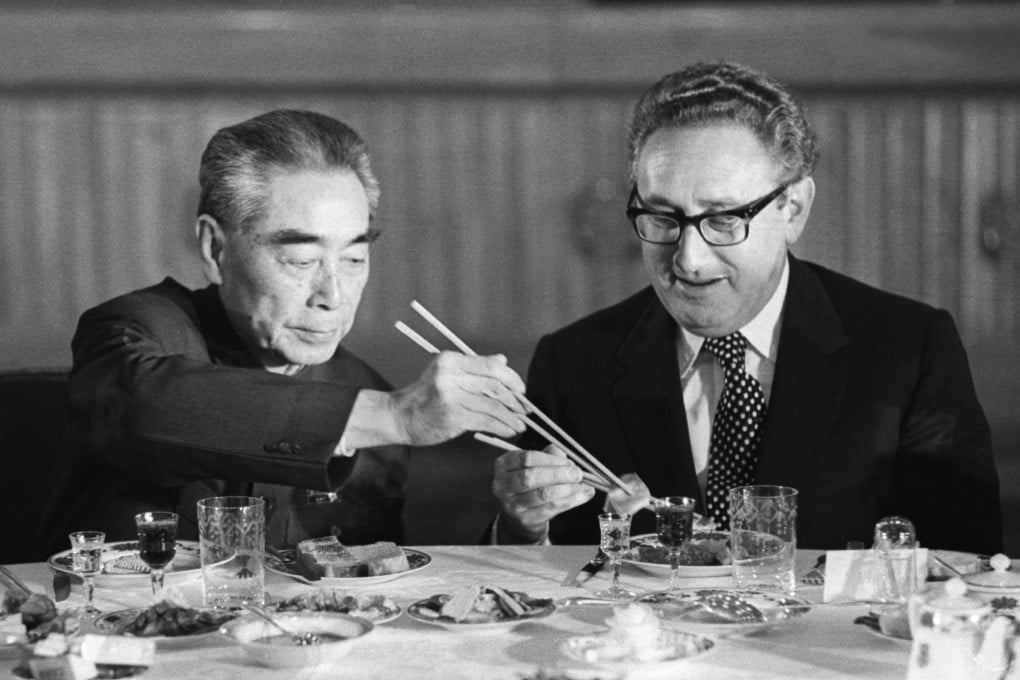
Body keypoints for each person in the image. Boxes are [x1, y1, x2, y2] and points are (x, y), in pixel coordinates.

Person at [491, 62, 1002, 553]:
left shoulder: (909, 352)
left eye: (723, 220)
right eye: (663, 217)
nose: (688, 260)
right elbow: (519, 585)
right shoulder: (573, 363)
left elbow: (967, 571)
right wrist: (521, 527)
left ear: (793, 210)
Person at [39, 109, 529, 555]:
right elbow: (142, 407)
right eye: (300, 260)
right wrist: (392, 415)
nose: (332, 295)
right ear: (215, 249)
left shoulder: (369, 395)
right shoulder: (133, 332)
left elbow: (370, 592)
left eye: (355, 258)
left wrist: (520, 530)